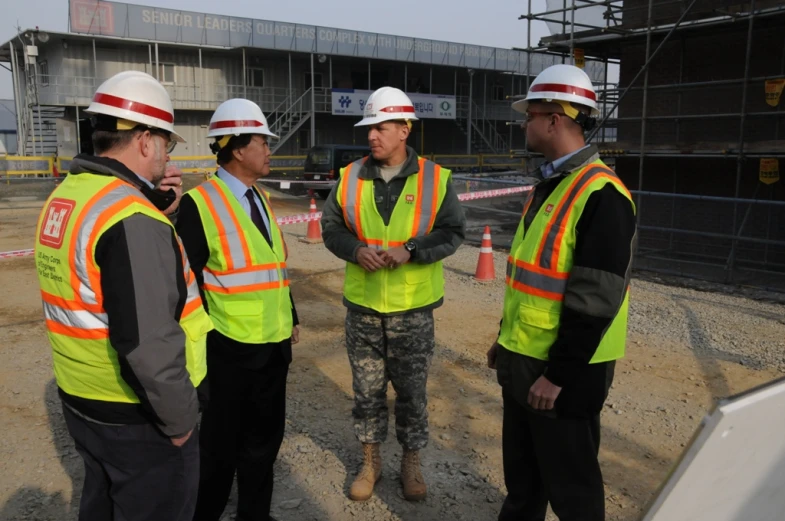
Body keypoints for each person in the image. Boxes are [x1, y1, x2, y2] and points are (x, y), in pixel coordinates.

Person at [33, 70, 212, 521]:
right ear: (146, 140)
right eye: (167, 144)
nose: (167, 156)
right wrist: (178, 421)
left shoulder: (67, 196)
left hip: (83, 400)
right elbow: (148, 342)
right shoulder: (131, 218)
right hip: (139, 416)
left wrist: (154, 211)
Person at [487, 63, 638, 521]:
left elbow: (596, 298)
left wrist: (560, 375)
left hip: (562, 374)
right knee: (524, 484)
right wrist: (505, 339)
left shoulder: (601, 194)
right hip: (525, 358)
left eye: (531, 115)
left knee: (573, 491)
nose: (524, 124)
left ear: (555, 120)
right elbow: (529, 280)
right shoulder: (550, 186)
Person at [321, 86, 466, 502]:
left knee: (412, 394)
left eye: (381, 128)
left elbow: (453, 231)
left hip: (412, 311)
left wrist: (412, 249)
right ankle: (370, 461)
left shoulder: (436, 179)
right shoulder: (349, 177)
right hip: (363, 309)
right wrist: (354, 249)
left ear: (405, 129)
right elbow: (332, 228)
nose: (372, 136)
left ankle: (410, 463)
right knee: (366, 392)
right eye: (369, 128)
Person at [175, 98, 300, 521]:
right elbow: (184, 289)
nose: (269, 149)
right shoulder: (198, 205)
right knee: (218, 454)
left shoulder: (259, 198)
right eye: (262, 141)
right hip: (227, 354)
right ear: (236, 148)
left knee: (263, 448)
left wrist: (292, 315)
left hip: (272, 348)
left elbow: (270, 263)